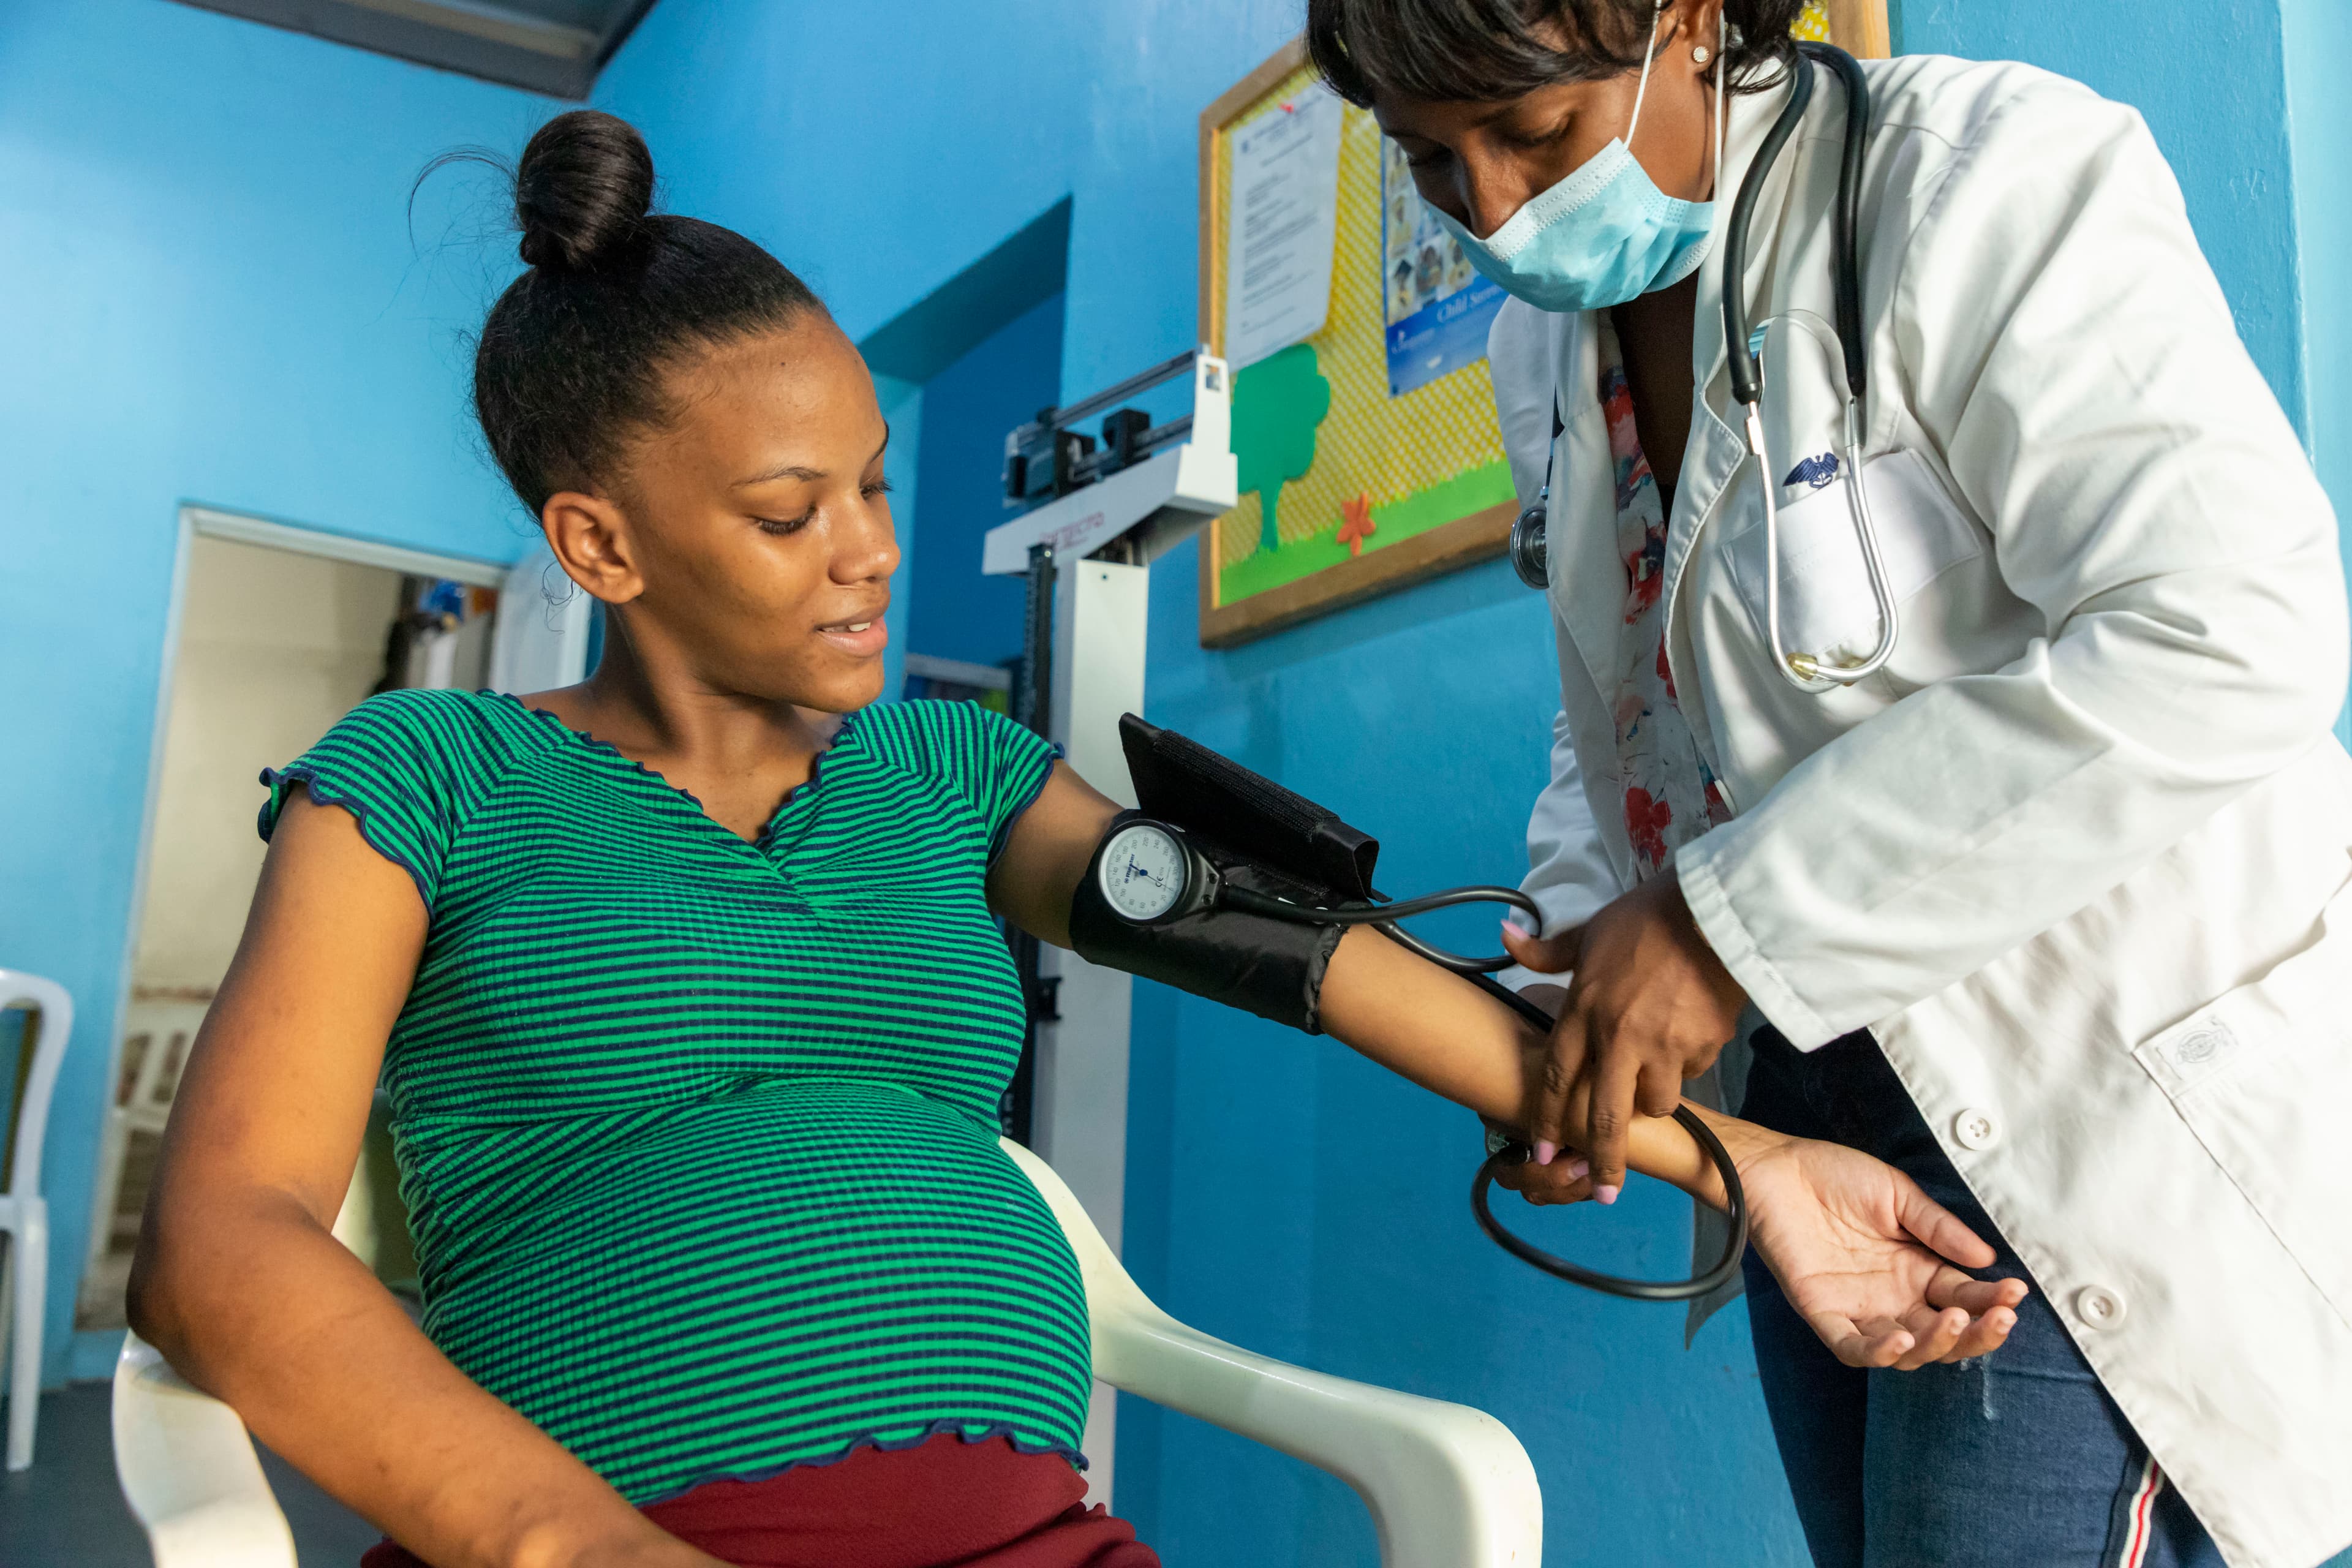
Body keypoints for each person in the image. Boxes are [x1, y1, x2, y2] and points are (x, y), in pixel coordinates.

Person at [130, 108, 2029, 1568]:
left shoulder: (948, 774)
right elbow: (223, 1242)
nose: (873, 549)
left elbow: (1301, 957)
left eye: (872, 485)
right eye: (792, 513)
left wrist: (1746, 1160)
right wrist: (572, 1544)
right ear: (600, 546)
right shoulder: (426, 778)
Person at [1305, 1, 2352, 1564]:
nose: (1497, 215)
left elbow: (2228, 630)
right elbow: (1630, 693)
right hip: (1801, 1112)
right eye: (1433, 167)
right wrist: (1582, 965)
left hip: (2088, 1088)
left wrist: (1722, 929)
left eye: (1533, 134)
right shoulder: (1548, 343)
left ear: (1696, 19)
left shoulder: (1980, 176)